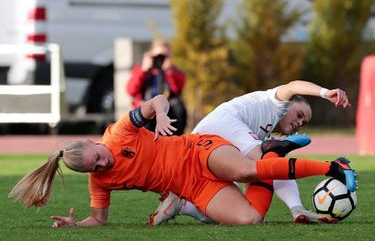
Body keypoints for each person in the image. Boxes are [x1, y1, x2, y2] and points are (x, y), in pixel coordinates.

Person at [8, 95, 356, 227]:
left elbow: (157, 99)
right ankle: (270, 153)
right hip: (191, 186)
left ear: (92, 141)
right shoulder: (100, 180)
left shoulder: (118, 134)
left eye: (97, 156)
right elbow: (99, 220)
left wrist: (159, 115)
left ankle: (331, 166)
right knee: (250, 219)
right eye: (94, 168)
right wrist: (76, 226)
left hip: (198, 150)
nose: (103, 164)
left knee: (245, 169)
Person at [148, 80, 352, 226]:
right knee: (270, 162)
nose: (299, 122)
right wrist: (326, 93)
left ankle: (182, 205)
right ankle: (305, 199)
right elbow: (293, 86)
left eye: (303, 123)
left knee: (235, 209)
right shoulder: (275, 103)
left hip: (201, 147)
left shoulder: (261, 134)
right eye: (299, 115)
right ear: (290, 104)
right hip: (222, 125)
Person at [126, 39, 187, 135]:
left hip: (168, 107)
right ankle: (147, 139)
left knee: (179, 108)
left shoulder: (172, 71)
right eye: (157, 56)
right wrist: (143, 70)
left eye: (164, 56)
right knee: (147, 111)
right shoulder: (142, 69)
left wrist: (169, 72)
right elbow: (130, 91)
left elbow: (178, 89)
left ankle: (176, 140)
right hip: (147, 105)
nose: (160, 59)